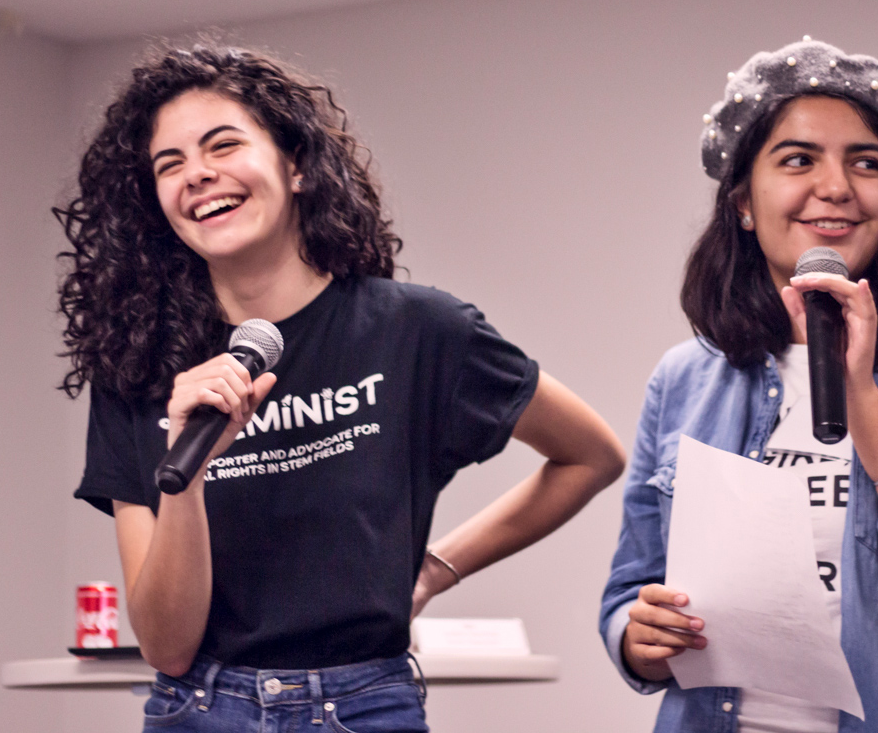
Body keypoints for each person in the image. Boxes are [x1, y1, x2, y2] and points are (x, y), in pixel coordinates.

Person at [57, 43, 625, 732]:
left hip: (364, 706)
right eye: (168, 164)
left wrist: (436, 570)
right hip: (199, 709)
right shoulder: (138, 368)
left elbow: (593, 456)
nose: (197, 175)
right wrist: (188, 476)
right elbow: (166, 647)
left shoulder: (418, 329)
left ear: (295, 165)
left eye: (222, 145)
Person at [599, 38, 878, 732]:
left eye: (865, 163)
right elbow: (631, 590)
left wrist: (860, 394)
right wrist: (640, 637)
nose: (835, 186)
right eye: (798, 159)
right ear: (744, 202)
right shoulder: (684, 377)